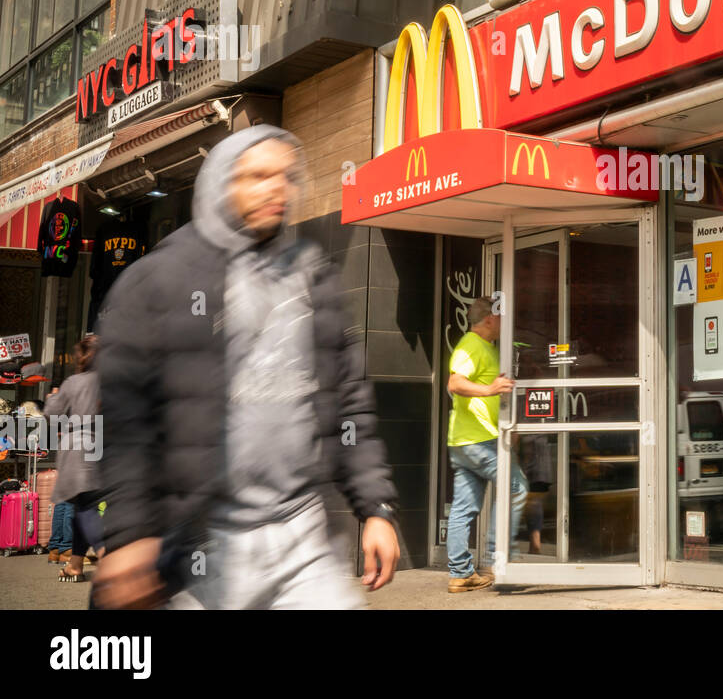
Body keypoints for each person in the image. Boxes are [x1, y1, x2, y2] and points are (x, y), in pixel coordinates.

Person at [91, 125, 400, 609]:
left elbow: (348, 403)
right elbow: (127, 422)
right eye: (257, 175)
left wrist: (375, 508)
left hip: (303, 536)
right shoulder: (157, 280)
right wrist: (130, 534)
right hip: (203, 544)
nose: (276, 188)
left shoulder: (311, 273)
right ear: (220, 182)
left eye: (285, 176)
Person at [445, 297, 528, 592]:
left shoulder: (489, 348)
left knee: (464, 507)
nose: (506, 323)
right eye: (502, 317)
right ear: (490, 319)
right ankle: (499, 561)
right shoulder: (471, 344)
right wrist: (490, 389)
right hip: (478, 441)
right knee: (516, 488)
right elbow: (455, 383)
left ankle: (461, 574)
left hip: (466, 441)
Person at [44, 335, 104, 583]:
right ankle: (75, 565)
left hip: (77, 449)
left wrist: (52, 399)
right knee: (84, 504)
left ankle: (107, 556)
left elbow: (51, 414)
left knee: (86, 506)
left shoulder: (73, 382)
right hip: (100, 444)